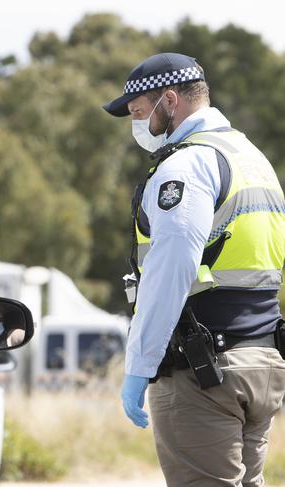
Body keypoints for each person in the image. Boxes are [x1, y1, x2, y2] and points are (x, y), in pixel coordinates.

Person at [103, 52, 285, 486]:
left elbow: (171, 269)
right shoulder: (251, 157)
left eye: (139, 112)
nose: (137, 125)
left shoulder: (188, 165)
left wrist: (140, 365)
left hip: (203, 371)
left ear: (170, 100)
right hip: (260, 360)